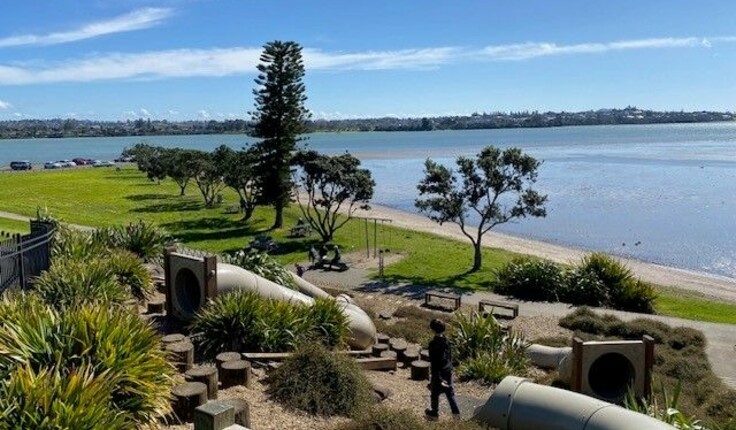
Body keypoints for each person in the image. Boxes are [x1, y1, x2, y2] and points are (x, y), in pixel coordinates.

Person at [425, 319, 460, 420]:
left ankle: (434, 413)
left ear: (432, 329)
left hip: (438, 372)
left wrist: (437, 377)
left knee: (435, 393)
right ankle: (456, 414)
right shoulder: (446, 341)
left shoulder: (433, 344)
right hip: (448, 370)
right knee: (450, 392)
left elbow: (434, 362)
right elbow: (449, 356)